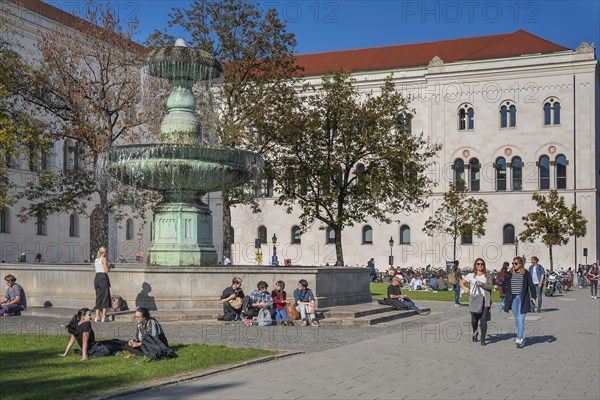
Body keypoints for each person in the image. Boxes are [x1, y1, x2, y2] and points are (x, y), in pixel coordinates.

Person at [58, 308, 125, 361]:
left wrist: (65, 354)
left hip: (92, 347)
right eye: (89, 315)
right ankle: (118, 351)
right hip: (94, 349)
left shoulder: (76, 325)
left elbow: (71, 341)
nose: (91, 316)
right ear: (83, 316)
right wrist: (84, 356)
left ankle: (125, 345)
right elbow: (84, 341)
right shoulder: (86, 324)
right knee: (112, 346)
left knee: (114, 341)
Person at [503, 256, 537, 348]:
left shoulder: (526, 273)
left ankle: (519, 338)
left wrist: (533, 296)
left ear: (521, 264)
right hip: (513, 299)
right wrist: (504, 297)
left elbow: (532, 286)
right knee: (517, 319)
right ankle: (520, 337)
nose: (514, 265)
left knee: (521, 319)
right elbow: (505, 285)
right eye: (513, 263)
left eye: (516, 263)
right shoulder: (510, 273)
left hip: (522, 299)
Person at [460, 258, 493, 346]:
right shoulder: (471, 275)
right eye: (478, 264)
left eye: (482, 264)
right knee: (474, 321)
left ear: (484, 265)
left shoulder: (487, 275)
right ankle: (475, 331)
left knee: (483, 320)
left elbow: (490, 287)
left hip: (485, 300)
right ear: (475, 265)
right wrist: (464, 288)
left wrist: (481, 284)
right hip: (474, 300)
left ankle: (483, 339)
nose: (480, 266)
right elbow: (461, 282)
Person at [93, 246, 114, 322]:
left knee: (98, 297)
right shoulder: (104, 259)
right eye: (106, 251)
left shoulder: (96, 260)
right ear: (104, 252)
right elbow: (106, 270)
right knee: (105, 296)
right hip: (103, 278)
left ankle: (97, 316)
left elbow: (95, 270)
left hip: (97, 278)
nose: (107, 253)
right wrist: (111, 266)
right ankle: (104, 316)